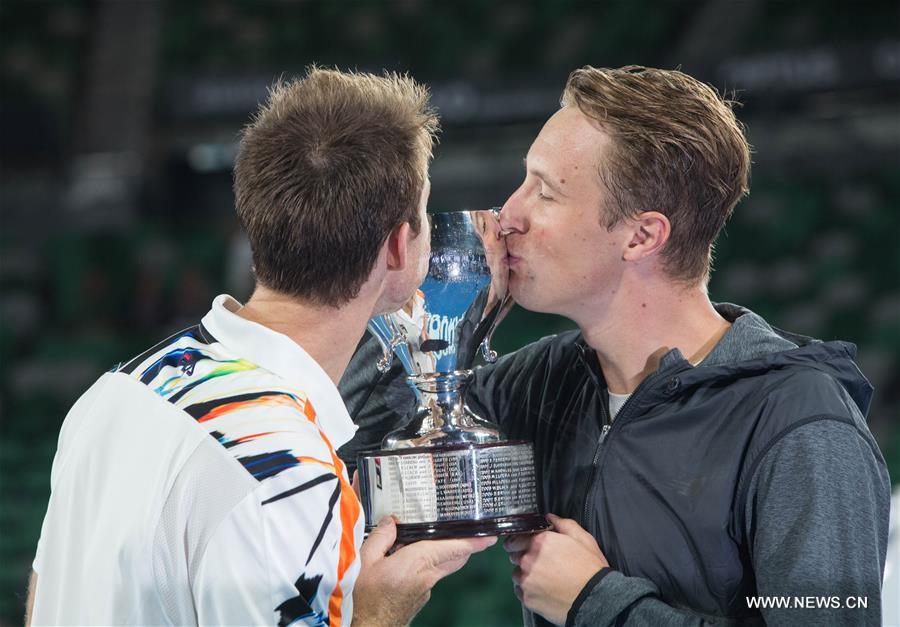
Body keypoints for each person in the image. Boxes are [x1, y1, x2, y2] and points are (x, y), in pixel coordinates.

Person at [338, 66, 891, 626]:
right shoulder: (543, 383)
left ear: (641, 236)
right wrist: (400, 289)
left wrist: (595, 602)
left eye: (545, 193)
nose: (508, 215)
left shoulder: (800, 424)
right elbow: (336, 438)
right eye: (524, 181)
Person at [26, 67, 494, 626]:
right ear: (397, 247)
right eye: (424, 213)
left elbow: (45, 599)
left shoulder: (116, 391)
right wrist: (378, 615)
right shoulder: (288, 474)